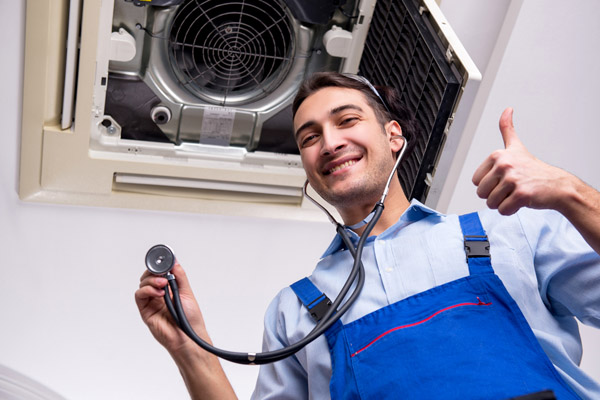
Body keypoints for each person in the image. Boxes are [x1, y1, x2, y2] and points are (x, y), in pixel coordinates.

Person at [135, 72, 600, 399]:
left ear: (393, 135)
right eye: (309, 137)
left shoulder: (510, 231)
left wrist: (571, 193)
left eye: (347, 120)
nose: (329, 142)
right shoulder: (296, 312)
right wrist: (189, 348)